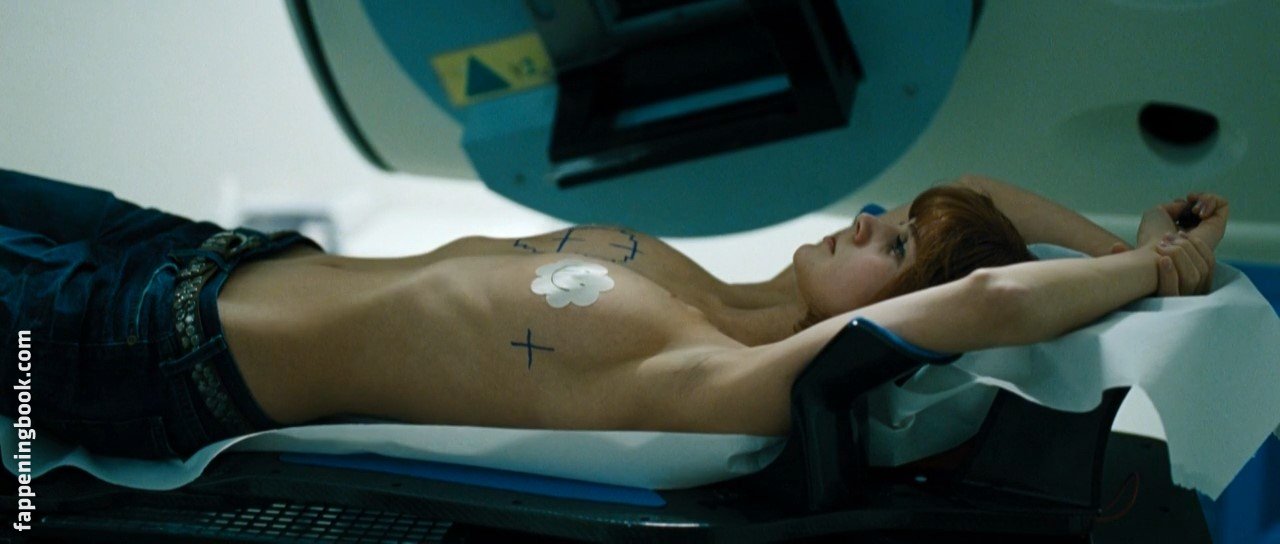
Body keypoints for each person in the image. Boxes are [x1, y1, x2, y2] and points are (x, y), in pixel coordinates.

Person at [0, 169, 1226, 460]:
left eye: (891, 247)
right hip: (186, 252)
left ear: (913, 308)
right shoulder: (695, 281)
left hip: (129, 345)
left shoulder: (707, 376)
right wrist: (1124, 239)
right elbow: (973, 200)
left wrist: (1151, 279)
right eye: (886, 216)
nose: (868, 221)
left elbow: (988, 293)